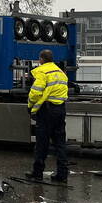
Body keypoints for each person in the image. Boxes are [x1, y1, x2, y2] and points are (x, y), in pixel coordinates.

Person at [27, 49, 69, 182]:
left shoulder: (42, 71)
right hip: (60, 109)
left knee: (42, 143)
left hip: (46, 111)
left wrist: (30, 106)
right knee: (60, 143)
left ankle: (37, 173)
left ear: (41, 59)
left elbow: (35, 93)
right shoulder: (60, 73)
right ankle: (62, 175)